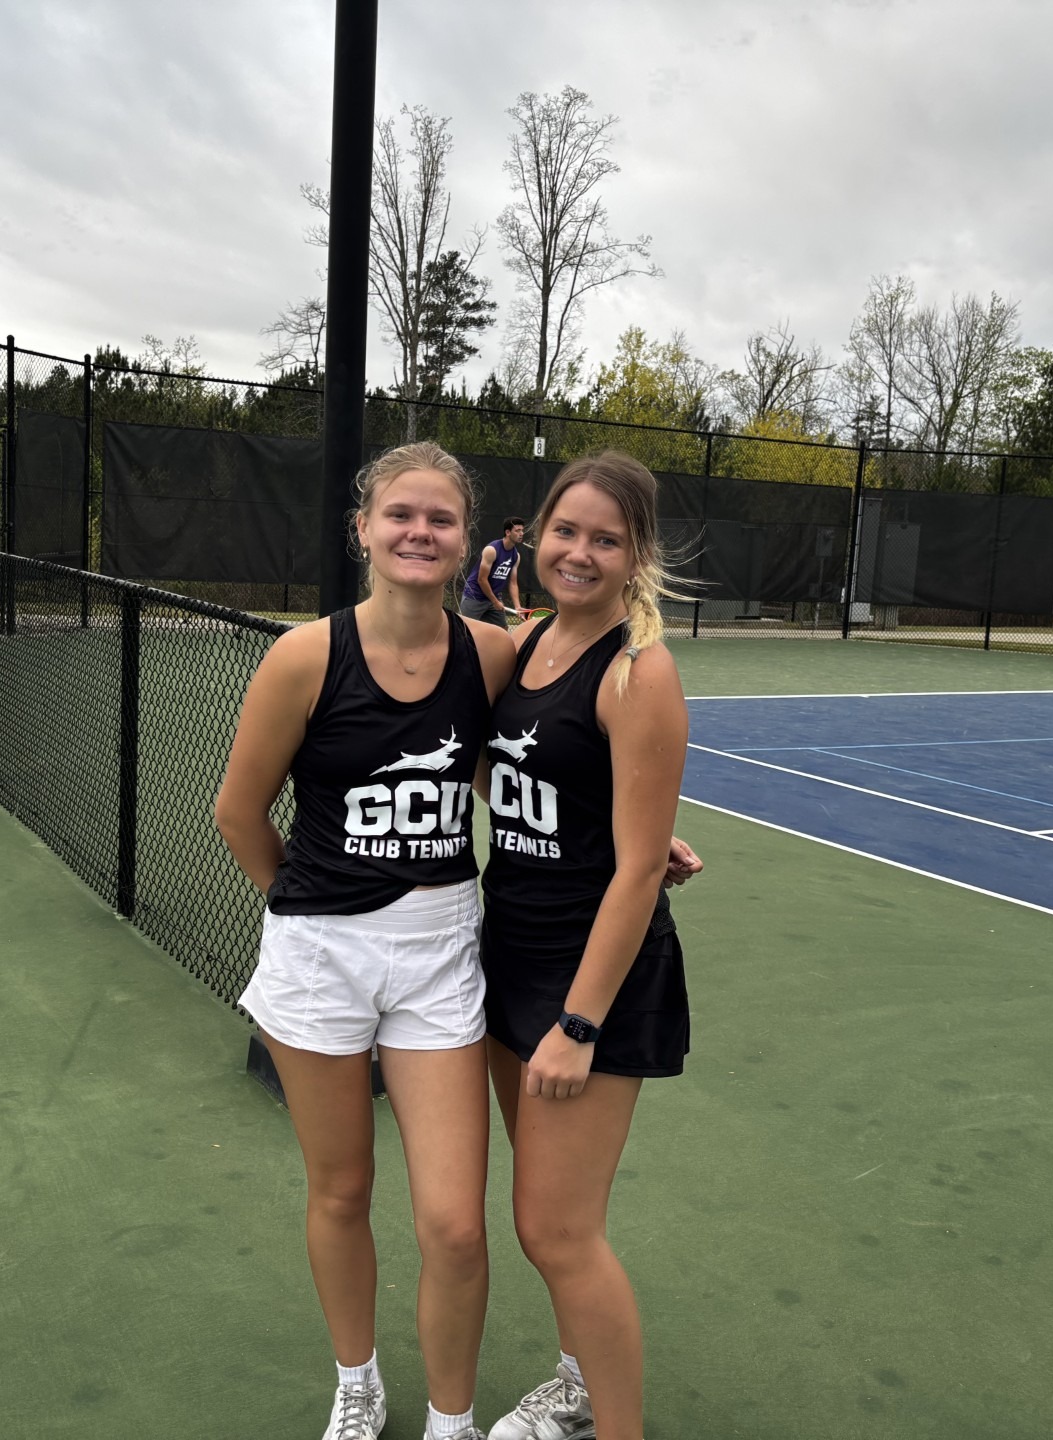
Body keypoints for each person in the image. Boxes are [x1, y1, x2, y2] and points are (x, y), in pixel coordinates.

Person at [214, 441, 517, 1440]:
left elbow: (522, 774)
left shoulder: (492, 655)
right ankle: (358, 1382)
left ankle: (451, 1422)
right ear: (364, 530)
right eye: (400, 515)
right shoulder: (304, 657)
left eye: (440, 518)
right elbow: (239, 813)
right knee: (342, 1190)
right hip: (320, 961)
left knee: (456, 1224)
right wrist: (310, 908)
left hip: (441, 955)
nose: (419, 532)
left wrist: (636, 839)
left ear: (464, 539)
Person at [478, 452, 691, 1440]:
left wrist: (578, 1024)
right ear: (538, 533)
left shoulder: (639, 670)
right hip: (510, 953)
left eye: (607, 539)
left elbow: (638, 872)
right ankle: (577, 1389)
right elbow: (508, 773)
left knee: (558, 1229)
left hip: (590, 980)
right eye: (567, 531)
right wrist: (605, 819)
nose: (580, 552)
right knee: (542, 1221)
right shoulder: (524, 642)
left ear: (636, 555)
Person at [459, 517, 526, 628]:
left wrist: (517, 606)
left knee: (502, 630)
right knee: (464, 630)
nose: (521, 533)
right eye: (517, 530)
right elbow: (482, 579)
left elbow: (513, 583)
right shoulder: (491, 550)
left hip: (493, 597)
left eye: (522, 530)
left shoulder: (516, 556)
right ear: (508, 532)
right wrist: (495, 601)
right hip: (474, 596)